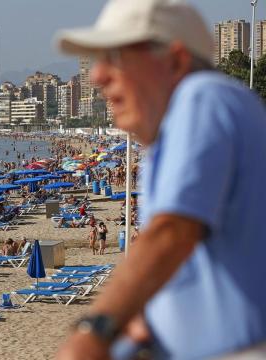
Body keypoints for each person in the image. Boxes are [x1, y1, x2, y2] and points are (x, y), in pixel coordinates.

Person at [56, 1, 266, 359]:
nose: (97, 76)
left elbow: (171, 233)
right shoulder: (167, 141)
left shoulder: (202, 97)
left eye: (115, 56)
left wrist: (94, 333)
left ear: (175, 60)